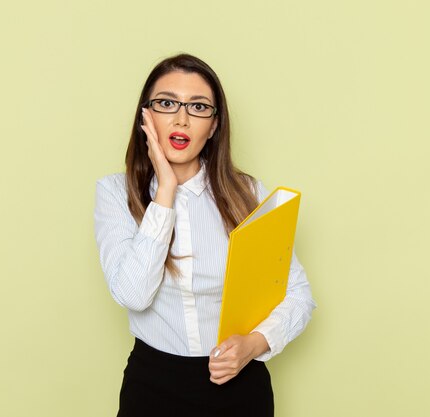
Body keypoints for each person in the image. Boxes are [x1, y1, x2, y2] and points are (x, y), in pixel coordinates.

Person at [94, 53, 316, 417]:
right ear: (145, 116)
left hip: (239, 387)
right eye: (167, 103)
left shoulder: (248, 193)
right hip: (152, 388)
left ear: (213, 126)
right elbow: (133, 294)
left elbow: (298, 294)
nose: (181, 118)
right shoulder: (115, 194)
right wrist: (165, 190)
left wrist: (253, 345)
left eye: (198, 107)